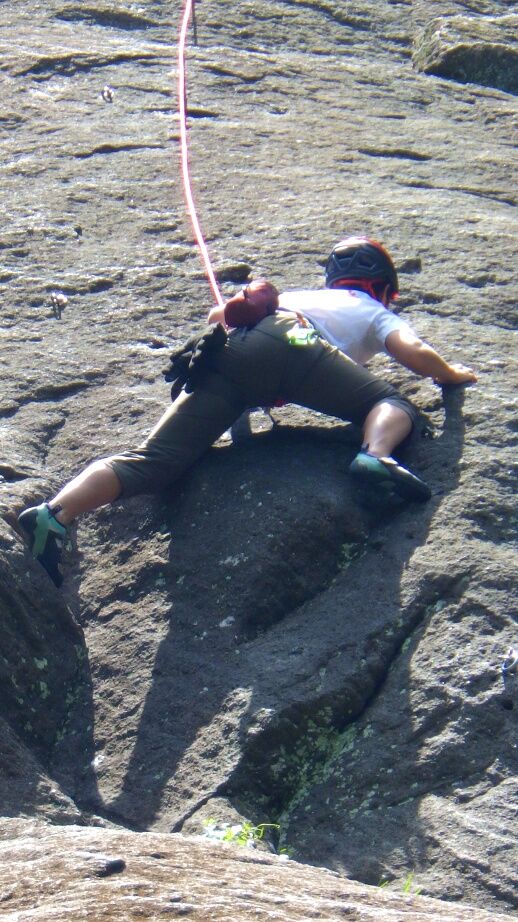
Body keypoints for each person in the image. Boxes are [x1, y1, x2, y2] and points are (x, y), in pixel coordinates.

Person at [17, 237, 476, 587]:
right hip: (298, 342)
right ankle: (376, 455)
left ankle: (54, 514)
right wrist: (451, 374)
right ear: (383, 288)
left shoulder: (299, 295)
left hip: (234, 352)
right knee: (392, 404)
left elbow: (218, 319)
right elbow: (412, 352)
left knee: (152, 462)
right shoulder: (373, 311)